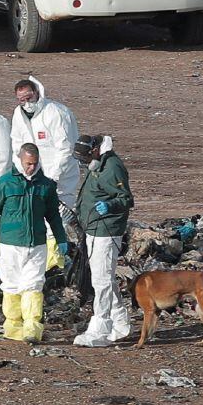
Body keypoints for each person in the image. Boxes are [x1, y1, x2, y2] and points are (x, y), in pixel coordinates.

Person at [0, 143, 68, 343]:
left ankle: (32, 329)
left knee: (33, 285)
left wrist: (61, 239)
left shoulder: (45, 185)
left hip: (36, 244)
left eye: (34, 164)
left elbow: (53, 215)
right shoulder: (5, 184)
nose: (31, 168)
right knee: (11, 286)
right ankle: (13, 326)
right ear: (20, 159)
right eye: (28, 163)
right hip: (10, 245)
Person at [72, 134, 135, 347]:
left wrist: (109, 207)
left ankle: (101, 328)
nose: (84, 164)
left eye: (85, 159)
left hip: (106, 230)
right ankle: (121, 321)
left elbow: (126, 198)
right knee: (103, 276)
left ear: (96, 150)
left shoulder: (112, 167)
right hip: (93, 228)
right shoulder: (97, 166)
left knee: (101, 280)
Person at [10, 76, 79, 270]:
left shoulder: (56, 113)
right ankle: (39, 256)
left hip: (60, 177)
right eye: (21, 99)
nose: (26, 103)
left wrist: (53, 177)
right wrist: (23, 170)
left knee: (58, 216)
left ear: (37, 93)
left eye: (29, 98)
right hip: (34, 175)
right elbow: (17, 144)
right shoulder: (18, 114)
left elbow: (65, 149)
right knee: (36, 215)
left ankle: (55, 260)